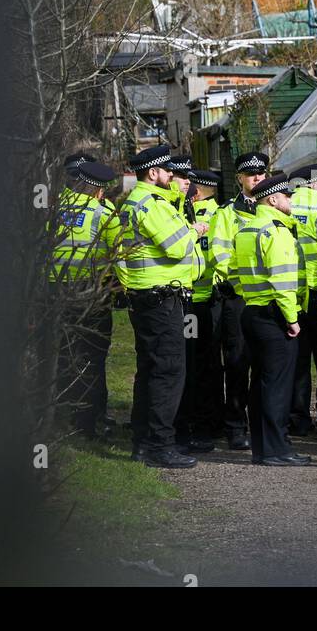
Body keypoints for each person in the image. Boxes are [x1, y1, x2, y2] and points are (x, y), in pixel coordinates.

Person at [116, 145, 201, 469]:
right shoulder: (152, 203)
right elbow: (178, 247)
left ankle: (141, 444)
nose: (172, 176)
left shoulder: (132, 202)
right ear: (153, 173)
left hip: (145, 299)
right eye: (168, 171)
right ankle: (160, 446)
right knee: (167, 374)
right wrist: (193, 230)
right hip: (162, 300)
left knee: (150, 372)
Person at [233, 174, 311, 466]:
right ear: (273, 200)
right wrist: (292, 319)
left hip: (252, 311)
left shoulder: (247, 229)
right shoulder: (276, 232)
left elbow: (234, 272)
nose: (291, 201)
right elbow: (281, 281)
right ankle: (278, 450)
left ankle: (263, 448)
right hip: (274, 316)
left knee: (261, 384)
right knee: (277, 385)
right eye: (287, 196)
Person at [49, 159, 121, 440]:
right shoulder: (102, 213)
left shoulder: (53, 209)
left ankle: (59, 418)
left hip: (54, 292)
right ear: (99, 191)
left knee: (64, 355)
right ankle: (89, 422)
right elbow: (120, 254)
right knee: (93, 357)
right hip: (91, 293)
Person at [208, 151, 268, 450]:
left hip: (269, 300)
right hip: (241, 299)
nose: (257, 177)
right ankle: (235, 426)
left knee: (267, 365)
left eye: (261, 173)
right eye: (251, 174)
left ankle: (264, 425)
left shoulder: (275, 209)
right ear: (240, 179)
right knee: (237, 364)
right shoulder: (226, 214)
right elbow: (220, 254)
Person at [165, 154, 214, 452]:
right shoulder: (168, 206)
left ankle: (189, 426)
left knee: (192, 364)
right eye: (182, 178)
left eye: (189, 179)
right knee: (177, 366)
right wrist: (194, 231)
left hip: (192, 296)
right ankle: (178, 431)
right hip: (176, 297)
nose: (187, 183)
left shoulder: (182, 204)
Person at [180, 168, 223, 452]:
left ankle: (204, 422)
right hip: (195, 299)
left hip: (202, 299)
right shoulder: (185, 213)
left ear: (199, 190)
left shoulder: (214, 216)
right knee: (198, 363)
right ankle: (201, 421)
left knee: (200, 364)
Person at [287, 163, 317, 435]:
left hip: (293, 294)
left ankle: (298, 419)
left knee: (299, 362)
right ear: (313, 184)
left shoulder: (287, 206)